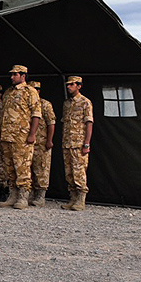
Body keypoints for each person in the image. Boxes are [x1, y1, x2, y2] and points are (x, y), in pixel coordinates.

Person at [0, 65, 41, 210]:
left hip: (21, 137)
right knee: (9, 168)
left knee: (22, 167)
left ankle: (23, 197)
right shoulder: (8, 92)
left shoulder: (30, 92)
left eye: (14, 74)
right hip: (7, 136)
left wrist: (32, 134)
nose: (11, 77)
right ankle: (13, 195)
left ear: (23, 75)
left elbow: (36, 115)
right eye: (11, 75)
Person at [60, 76, 93, 211]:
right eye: (68, 84)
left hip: (79, 143)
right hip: (67, 142)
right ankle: (73, 197)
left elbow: (89, 123)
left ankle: (80, 199)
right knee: (69, 172)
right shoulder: (67, 103)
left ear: (79, 86)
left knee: (79, 171)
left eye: (72, 84)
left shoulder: (85, 102)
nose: (68, 87)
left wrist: (86, 143)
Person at [29, 81, 56, 207]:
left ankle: (40, 196)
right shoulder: (27, 104)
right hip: (28, 142)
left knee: (41, 168)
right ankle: (30, 193)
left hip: (41, 142)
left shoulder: (44, 104)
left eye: (35, 89)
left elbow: (51, 123)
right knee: (28, 169)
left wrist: (49, 140)